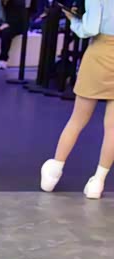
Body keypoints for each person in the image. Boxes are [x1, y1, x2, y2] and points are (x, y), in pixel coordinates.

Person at [41, 0, 114, 199]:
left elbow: (90, 29)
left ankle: (54, 171)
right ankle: (98, 182)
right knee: (112, 128)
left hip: (99, 55)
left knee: (77, 120)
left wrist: (73, 20)